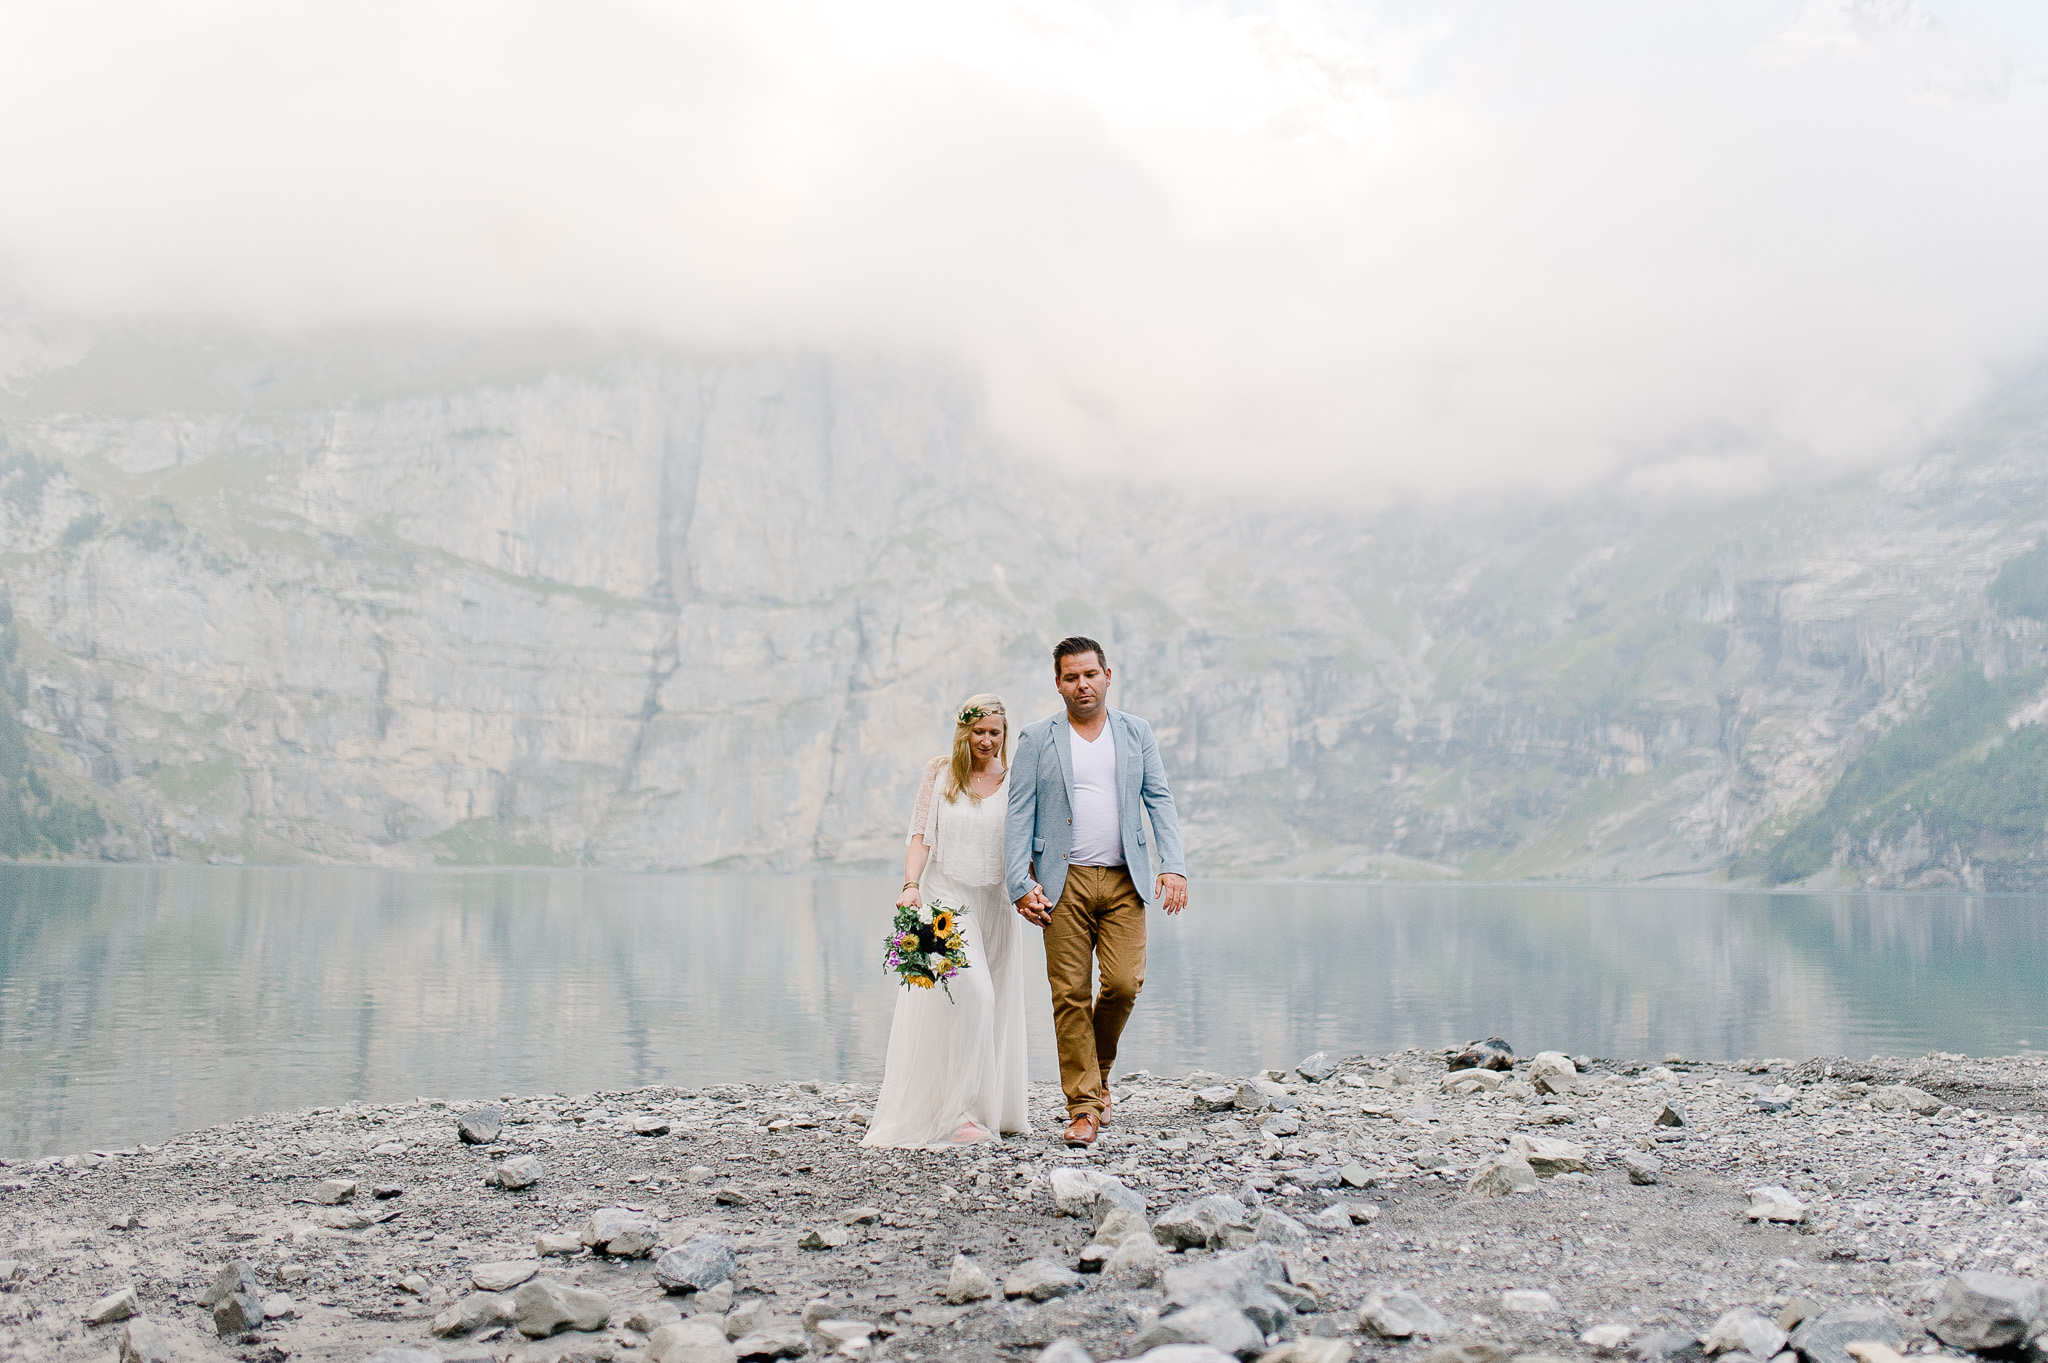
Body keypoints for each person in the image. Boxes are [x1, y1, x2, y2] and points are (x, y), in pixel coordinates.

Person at [1006, 637, 1188, 1147]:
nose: (1081, 684)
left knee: (1125, 984)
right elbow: (1018, 812)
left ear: (1109, 674)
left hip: (1126, 879)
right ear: (1058, 683)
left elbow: (1159, 800)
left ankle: (1099, 1068)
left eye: (1090, 674)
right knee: (1069, 995)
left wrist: (1173, 865)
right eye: (1070, 677)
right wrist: (1020, 883)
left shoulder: (1137, 733)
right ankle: (1083, 1107)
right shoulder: (1037, 738)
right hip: (1060, 884)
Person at [862, 694, 1031, 1148]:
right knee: (970, 992)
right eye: (979, 732)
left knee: (990, 1002)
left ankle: (987, 1106)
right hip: (941, 903)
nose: (988, 740)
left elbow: (1024, 844)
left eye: (996, 732)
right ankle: (957, 1114)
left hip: (996, 905)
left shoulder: (1015, 779)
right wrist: (909, 885)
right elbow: (919, 835)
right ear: (964, 732)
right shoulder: (940, 774)